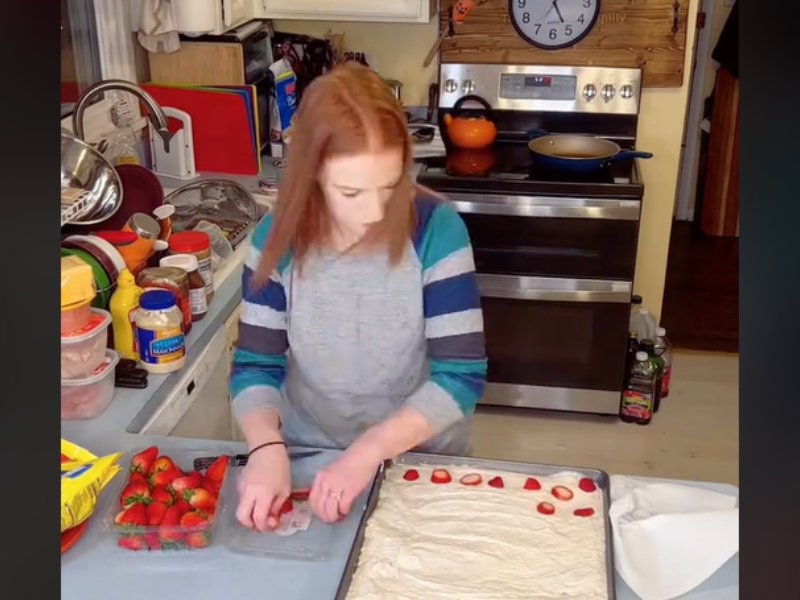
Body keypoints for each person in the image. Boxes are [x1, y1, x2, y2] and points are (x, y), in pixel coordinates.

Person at [229, 62, 487, 532]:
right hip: (311, 455)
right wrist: (266, 447)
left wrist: (369, 451)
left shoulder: (436, 230)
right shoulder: (277, 239)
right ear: (311, 178)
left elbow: (460, 377)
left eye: (390, 188)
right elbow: (256, 366)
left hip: (418, 457)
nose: (373, 213)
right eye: (350, 192)